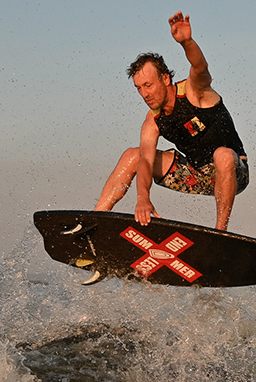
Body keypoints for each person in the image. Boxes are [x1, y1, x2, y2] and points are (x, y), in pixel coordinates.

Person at [94, 12, 248, 231]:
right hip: (195, 174)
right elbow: (146, 162)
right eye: (139, 88)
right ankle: (95, 220)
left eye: (148, 85)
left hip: (234, 172)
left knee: (222, 154)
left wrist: (187, 43)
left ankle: (220, 232)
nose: (144, 94)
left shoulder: (195, 92)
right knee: (132, 156)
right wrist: (142, 198)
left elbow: (200, 67)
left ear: (165, 78)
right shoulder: (153, 120)